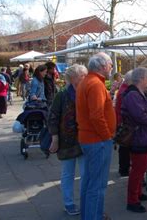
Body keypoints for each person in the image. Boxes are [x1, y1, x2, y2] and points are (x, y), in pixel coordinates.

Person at [76, 52, 116, 220]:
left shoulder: (87, 82)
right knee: (97, 185)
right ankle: (93, 216)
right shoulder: (96, 84)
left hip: (89, 139)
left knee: (89, 182)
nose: (112, 68)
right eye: (110, 65)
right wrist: (107, 137)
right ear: (102, 66)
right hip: (97, 140)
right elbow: (96, 116)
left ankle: (91, 214)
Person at [121, 67, 147, 213]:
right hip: (139, 138)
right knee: (137, 171)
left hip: (144, 136)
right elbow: (140, 116)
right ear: (141, 79)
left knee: (140, 168)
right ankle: (132, 201)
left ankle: (138, 194)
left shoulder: (139, 93)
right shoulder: (133, 95)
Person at [48, 64, 88, 216]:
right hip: (66, 141)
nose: (85, 78)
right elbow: (52, 117)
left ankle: (86, 202)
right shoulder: (62, 95)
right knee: (68, 174)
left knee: (85, 174)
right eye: (82, 76)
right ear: (73, 78)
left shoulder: (86, 93)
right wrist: (55, 138)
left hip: (85, 139)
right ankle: (69, 203)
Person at [114, 70, 133, 177]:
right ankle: (124, 169)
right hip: (124, 123)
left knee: (124, 147)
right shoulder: (126, 90)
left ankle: (123, 168)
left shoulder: (123, 88)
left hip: (121, 121)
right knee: (125, 147)